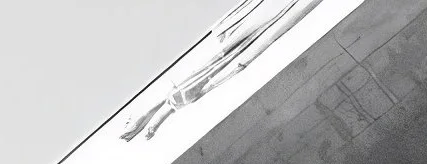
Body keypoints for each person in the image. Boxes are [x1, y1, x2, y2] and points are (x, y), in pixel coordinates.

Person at [122, 0, 325, 138]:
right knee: (224, 54)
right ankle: (155, 109)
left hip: (287, 12)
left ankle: (164, 109)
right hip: (271, 8)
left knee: (231, 62)